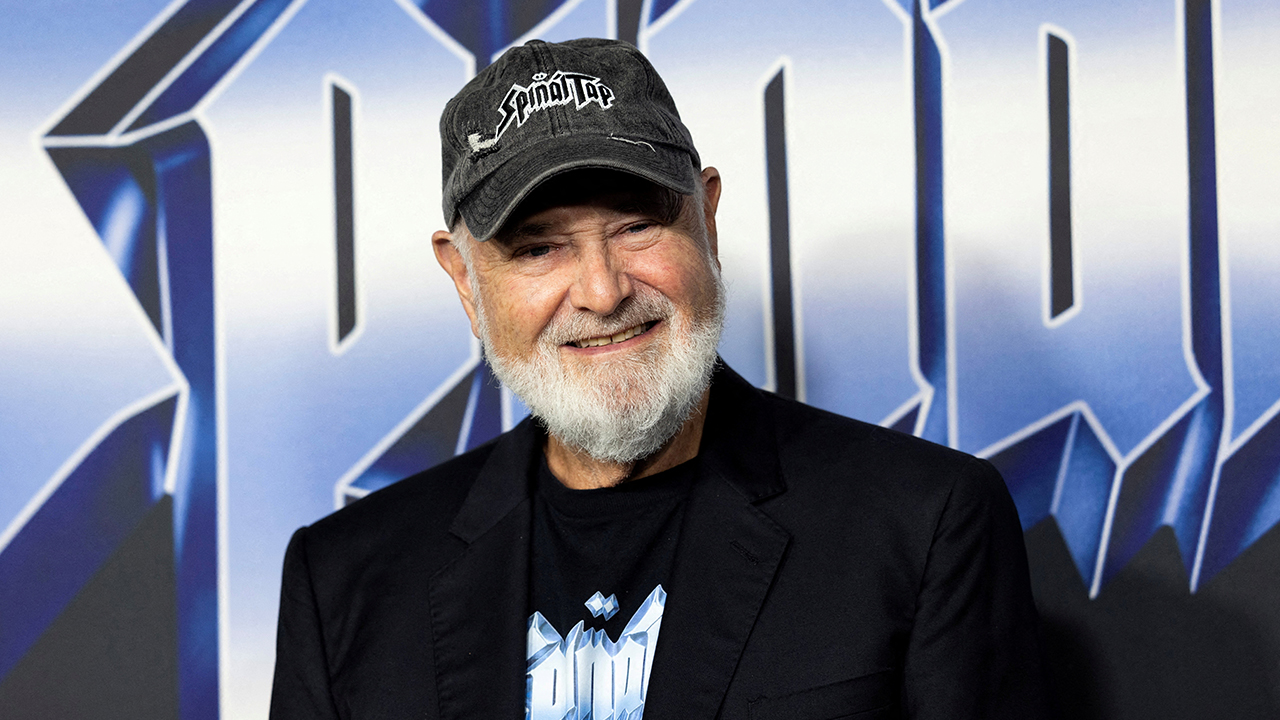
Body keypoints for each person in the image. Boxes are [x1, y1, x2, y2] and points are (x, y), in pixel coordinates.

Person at [269, 38, 1050, 720]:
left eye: (637, 224)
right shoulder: (344, 581)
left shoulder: (923, 523)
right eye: (538, 248)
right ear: (466, 283)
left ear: (707, 220)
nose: (602, 291)